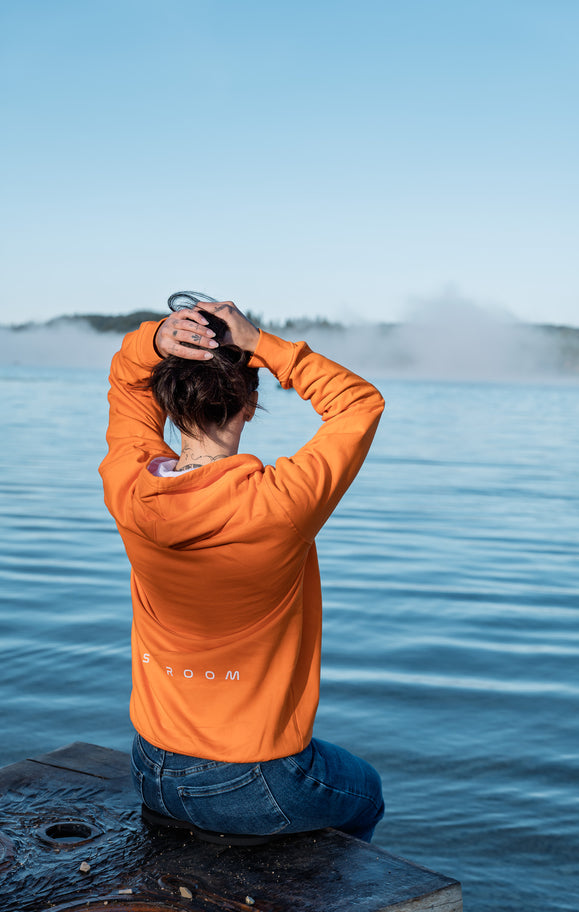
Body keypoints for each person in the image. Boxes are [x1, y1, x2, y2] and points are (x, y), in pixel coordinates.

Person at [99, 295, 385, 843]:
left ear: (167, 397)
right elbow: (358, 404)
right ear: (249, 404)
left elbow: (125, 382)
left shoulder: (130, 487)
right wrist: (260, 344)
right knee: (364, 793)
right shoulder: (280, 503)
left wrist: (159, 338)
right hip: (252, 781)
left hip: (150, 764)